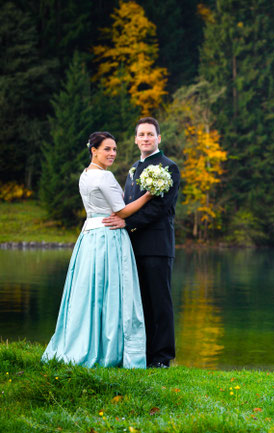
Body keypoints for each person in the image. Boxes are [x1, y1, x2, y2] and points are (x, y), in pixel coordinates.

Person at [42, 132, 152, 368]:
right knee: (111, 292)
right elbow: (121, 211)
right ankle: (108, 349)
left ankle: (85, 341)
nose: (112, 153)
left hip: (89, 236)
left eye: (114, 149)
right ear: (94, 150)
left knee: (89, 292)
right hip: (107, 237)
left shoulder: (85, 174)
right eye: (107, 149)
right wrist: (148, 195)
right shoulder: (104, 176)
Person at [102, 117, 180, 369]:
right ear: (136, 139)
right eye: (141, 134)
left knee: (159, 302)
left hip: (157, 246)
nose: (145, 138)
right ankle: (143, 355)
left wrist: (128, 223)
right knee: (139, 302)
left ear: (159, 138)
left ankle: (162, 357)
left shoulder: (169, 168)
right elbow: (126, 203)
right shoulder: (134, 168)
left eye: (150, 134)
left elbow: (160, 208)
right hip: (133, 246)